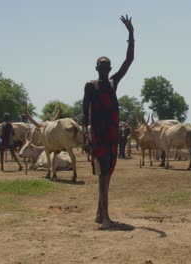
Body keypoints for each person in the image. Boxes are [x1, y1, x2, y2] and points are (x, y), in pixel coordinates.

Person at [82, 15, 134, 229]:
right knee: (103, 175)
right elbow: (85, 113)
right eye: (102, 65)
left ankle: (99, 213)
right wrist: (87, 136)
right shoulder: (90, 86)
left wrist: (131, 34)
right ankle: (105, 218)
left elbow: (129, 60)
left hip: (113, 137)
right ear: (96, 68)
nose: (105, 68)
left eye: (108, 65)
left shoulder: (113, 82)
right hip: (99, 138)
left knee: (107, 175)